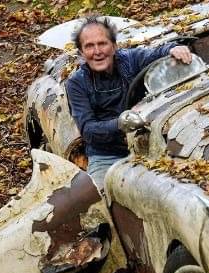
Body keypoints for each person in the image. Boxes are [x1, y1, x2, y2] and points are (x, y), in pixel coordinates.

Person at [65, 16, 193, 188]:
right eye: (89, 46)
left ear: (114, 46)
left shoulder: (130, 59)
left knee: (185, 182)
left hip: (149, 143)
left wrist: (174, 49)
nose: (97, 51)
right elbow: (87, 130)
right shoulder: (76, 83)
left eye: (102, 43)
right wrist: (120, 123)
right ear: (81, 53)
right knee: (98, 202)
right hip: (107, 155)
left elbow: (156, 53)